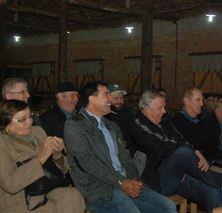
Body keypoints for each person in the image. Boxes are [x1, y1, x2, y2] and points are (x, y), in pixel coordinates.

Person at [128, 90, 222, 213]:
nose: (164, 111)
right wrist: (188, 156)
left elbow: (182, 139)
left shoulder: (165, 123)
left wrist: (194, 152)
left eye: (164, 107)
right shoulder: (136, 125)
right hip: (155, 182)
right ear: (147, 108)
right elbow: (159, 146)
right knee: (183, 152)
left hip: (179, 175)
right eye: (160, 108)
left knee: (214, 193)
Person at [64, 81, 177, 213]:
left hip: (123, 182)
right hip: (99, 188)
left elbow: (125, 157)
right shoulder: (75, 125)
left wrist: (135, 179)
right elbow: (88, 163)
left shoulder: (111, 126)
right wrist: (120, 182)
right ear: (92, 99)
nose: (111, 99)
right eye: (106, 95)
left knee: (168, 206)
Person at [0, 100, 85, 212]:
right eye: (23, 119)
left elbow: (64, 170)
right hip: (16, 199)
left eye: (30, 116)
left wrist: (58, 155)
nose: (30, 122)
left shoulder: (38, 132)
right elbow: (10, 185)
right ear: (6, 123)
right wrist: (41, 157)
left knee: (73, 195)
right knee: (56, 209)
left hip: (47, 189)